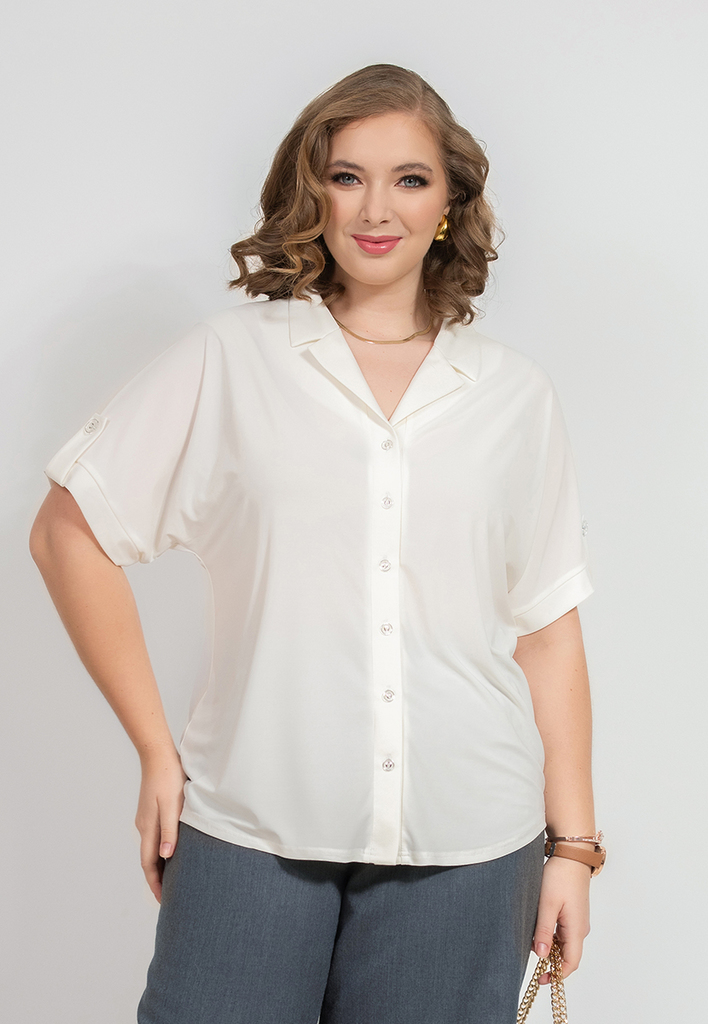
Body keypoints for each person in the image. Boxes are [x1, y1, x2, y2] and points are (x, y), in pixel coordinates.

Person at [29, 63, 604, 1024]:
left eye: (410, 178)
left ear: (450, 204)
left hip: (467, 844)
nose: (376, 208)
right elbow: (67, 535)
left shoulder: (515, 396)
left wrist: (574, 849)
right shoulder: (232, 359)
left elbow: (547, 628)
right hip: (250, 825)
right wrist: (157, 753)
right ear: (314, 194)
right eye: (347, 176)